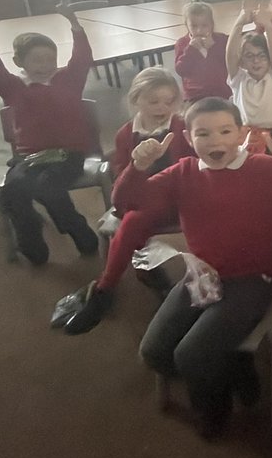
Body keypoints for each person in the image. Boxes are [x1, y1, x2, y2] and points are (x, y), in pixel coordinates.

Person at [119, 98, 272, 439]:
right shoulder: (183, 172)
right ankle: (228, 364)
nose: (216, 141)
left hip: (252, 280)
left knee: (191, 354)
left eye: (226, 131)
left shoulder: (262, 167)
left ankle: (214, 411)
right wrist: (137, 167)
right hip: (202, 276)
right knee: (153, 352)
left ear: (241, 133)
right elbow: (127, 203)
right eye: (204, 134)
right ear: (189, 138)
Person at [0, 0, 98, 265]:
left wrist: (74, 23)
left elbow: (83, 56)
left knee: (48, 188)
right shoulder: (13, 87)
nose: (45, 64)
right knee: (14, 190)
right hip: (30, 157)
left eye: (50, 58)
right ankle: (31, 243)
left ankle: (79, 230)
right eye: (37, 60)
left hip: (67, 154)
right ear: (19, 61)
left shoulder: (69, 79)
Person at [64, 66, 192, 330]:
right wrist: (139, 163)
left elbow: (195, 170)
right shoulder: (126, 134)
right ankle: (148, 278)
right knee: (133, 216)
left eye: (169, 101)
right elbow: (121, 194)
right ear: (136, 100)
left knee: (133, 221)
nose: (162, 108)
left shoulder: (182, 126)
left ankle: (106, 290)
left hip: (182, 199)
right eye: (153, 101)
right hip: (142, 200)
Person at [225, 4, 272, 154]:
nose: (256, 61)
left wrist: (268, 25)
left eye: (261, 56)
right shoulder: (239, 79)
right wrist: (239, 23)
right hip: (245, 135)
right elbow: (230, 55)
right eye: (249, 56)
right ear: (242, 61)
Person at [174, 0, 231, 102]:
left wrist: (213, 47)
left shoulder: (222, 40)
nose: (199, 30)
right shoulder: (182, 43)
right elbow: (181, 70)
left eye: (204, 26)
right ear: (187, 25)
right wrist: (191, 50)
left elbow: (230, 62)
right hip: (195, 95)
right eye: (194, 26)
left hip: (222, 92)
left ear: (212, 25)